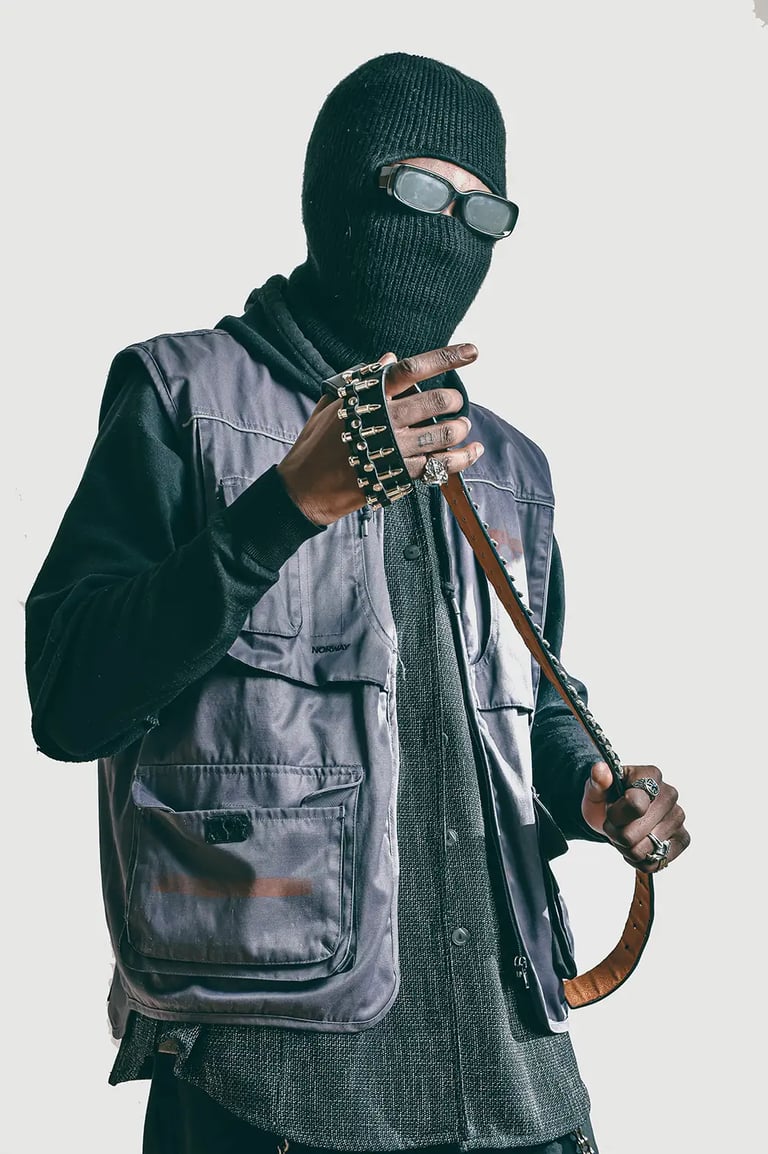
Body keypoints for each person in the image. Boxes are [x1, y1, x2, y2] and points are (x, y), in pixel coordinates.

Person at [25, 52, 689, 1154]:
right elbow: (71, 696)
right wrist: (285, 503)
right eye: (418, 191)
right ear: (337, 188)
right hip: (276, 1085)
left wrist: (599, 793)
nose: (448, 230)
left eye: (484, 209)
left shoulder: (506, 464)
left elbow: (530, 716)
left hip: (520, 1084)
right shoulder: (180, 398)